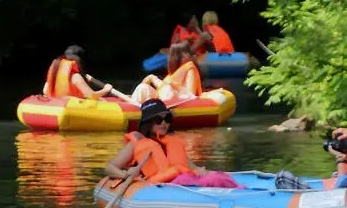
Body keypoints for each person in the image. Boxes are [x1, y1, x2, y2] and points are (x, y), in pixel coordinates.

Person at [104, 99, 240, 187]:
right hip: (161, 187)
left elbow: (191, 167)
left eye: (167, 119)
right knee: (209, 181)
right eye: (158, 120)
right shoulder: (136, 143)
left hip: (183, 182)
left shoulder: (172, 141)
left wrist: (201, 171)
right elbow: (109, 168)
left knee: (218, 178)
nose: (164, 123)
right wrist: (126, 175)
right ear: (147, 123)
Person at [132, 43, 203, 106]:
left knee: (166, 88)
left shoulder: (190, 68)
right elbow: (163, 87)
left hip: (177, 101)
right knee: (143, 87)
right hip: (164, 99)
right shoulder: (173, 73)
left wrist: (172, 84)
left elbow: (191, 94)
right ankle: (134, 106)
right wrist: (153, 78)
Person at [43, 46, 116, 99]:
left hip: (55, 106)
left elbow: (45, 91)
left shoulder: (55, 73)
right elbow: (91, 96)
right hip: (71, 109)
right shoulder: (75, 76)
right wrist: (106, 89)